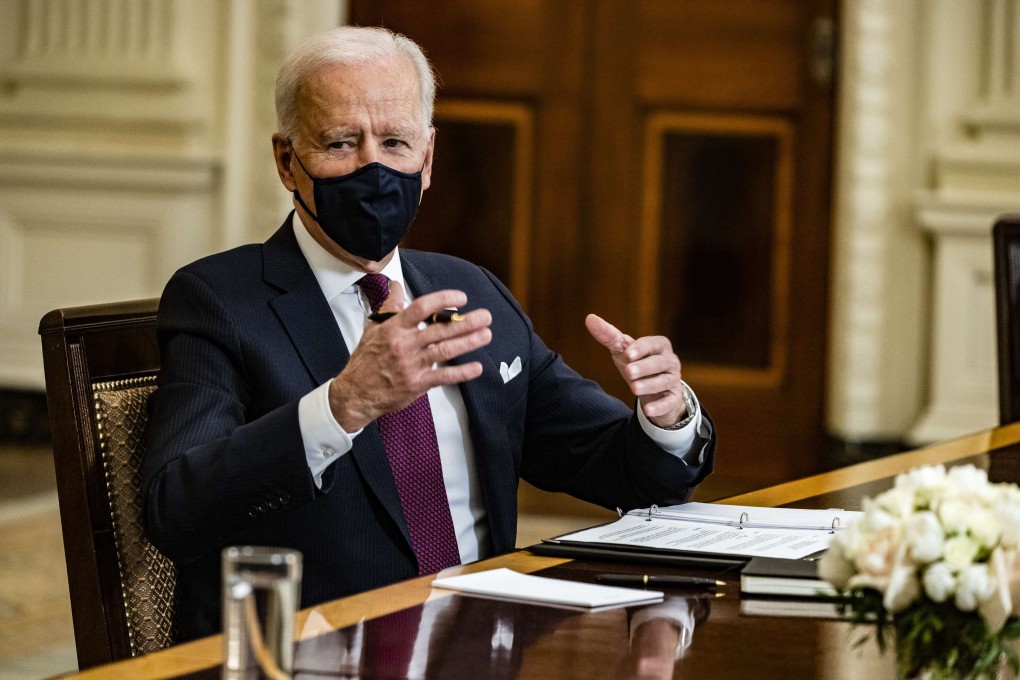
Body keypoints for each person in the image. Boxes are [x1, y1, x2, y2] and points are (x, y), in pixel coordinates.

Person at [143, 25, 716, 641]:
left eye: (394, 142)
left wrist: (666, 417)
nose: (372, 167)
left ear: (428, 158)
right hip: (320, 650)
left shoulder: (470, 292)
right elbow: (175, 509)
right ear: (287, 160)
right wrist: (342, 406)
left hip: (483, 644)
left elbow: (622, 471)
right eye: (340, 143)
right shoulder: (220, 301)